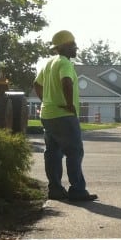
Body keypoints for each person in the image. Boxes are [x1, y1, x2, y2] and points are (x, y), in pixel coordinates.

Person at [33, 30, 98, 202]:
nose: (76, 48)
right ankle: (77, 190)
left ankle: (55, 189)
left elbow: (36, 84)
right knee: (74, 152)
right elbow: (66, 82)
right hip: (64, 115)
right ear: (65, 47)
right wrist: (69, 104)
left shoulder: (49, 63)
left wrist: (46, 100)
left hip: (48, 114)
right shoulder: (65, 63)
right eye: (73, 45)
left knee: (53, 153)